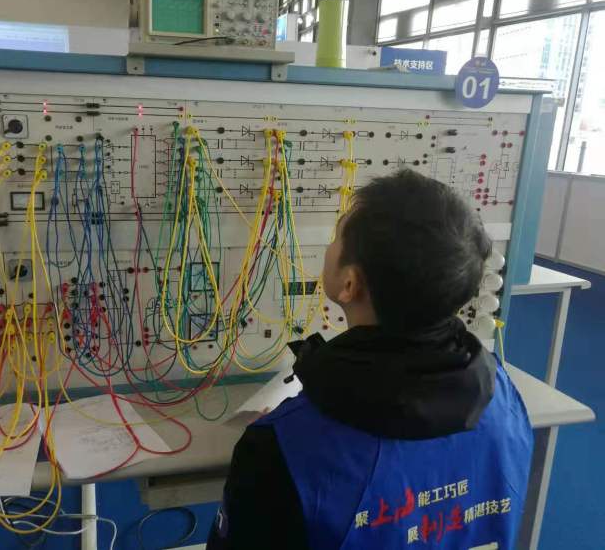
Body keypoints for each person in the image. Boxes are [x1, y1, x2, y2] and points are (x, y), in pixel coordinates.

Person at [206, 169, 533, 550]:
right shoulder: (502, 393)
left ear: (349, 283)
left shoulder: (280, 447)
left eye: (336, 236)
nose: (330, 245)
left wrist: (283, 432)